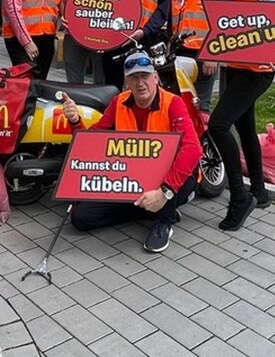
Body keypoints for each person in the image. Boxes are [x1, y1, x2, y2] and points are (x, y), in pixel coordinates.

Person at [61, 51, 203, 253]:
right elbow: (91, 141)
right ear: (126, 82)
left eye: (145, 76)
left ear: (155, 77)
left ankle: (164, 220)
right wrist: (75, 121)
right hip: (131, 180)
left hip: (168, 180)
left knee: (178, 185)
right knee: (81, 218)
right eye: (134, 78)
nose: (140, 83)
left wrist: (165, 192)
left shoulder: (173, 103)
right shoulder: (119, 102)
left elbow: (192, 148)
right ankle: (149, 210)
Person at [208, 0, 275, 231]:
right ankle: (260, 192)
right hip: (236, 67)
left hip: (257, 72)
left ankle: (240, 197)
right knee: (245, 127)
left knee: (217, 124)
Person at [170, 0, 228, 111]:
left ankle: (201, 139)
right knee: (182, 103)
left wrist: (213, 55)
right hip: (180, 51)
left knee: (201, 106)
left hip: (204, 54)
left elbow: (225, 21)